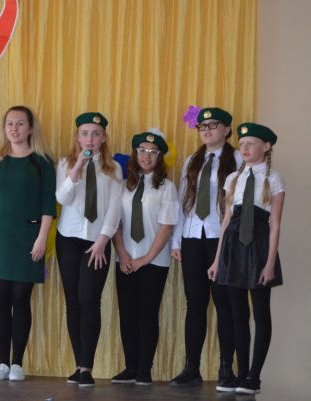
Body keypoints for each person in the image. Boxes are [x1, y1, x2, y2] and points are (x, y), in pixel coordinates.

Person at [0, 105, 56, 382]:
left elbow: (48, 204)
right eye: (10, 123)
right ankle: (2, 362)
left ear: (30, 128)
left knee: (21, 299)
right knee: (1, 299)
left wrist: (42, 239)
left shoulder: (42, 162)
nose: (14, 128)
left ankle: (18, 363)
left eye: (20, 123)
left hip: (28, 237)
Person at [208, 123, 285, 395]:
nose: (245, 148)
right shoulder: (233, 178)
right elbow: (226, 221)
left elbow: (275, 224)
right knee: (238, 314)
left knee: (261, 313)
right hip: (232, 247)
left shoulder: (273, 179)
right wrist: (217, 260)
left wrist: (269, 262)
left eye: (251, 143)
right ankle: (240, 374)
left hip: (259, 248)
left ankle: (254, 376)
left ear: (266, 146)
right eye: (242, 144)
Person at [170, 107, 241, 390]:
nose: (207, 130)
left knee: (224, 303)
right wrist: (177, 240)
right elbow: (182, 201)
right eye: (203, 126)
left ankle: (226, 367)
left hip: (220, 237)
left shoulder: (237, 158)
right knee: (195, 303)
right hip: (192, 237)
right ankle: (192, 367)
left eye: (213, 125)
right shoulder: (193, 159)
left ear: (227, 129)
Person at [55, 112, 123, 387]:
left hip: (98, 241)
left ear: (103, 137)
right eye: (85, 134)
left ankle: (87, 366)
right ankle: (78, 364)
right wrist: (76, 171)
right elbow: (62, 198)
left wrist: (103, 240)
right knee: (73, 300)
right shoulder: (65, 163)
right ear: (77, 137)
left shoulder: (113, 168)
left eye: (96, 134)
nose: (90, 139)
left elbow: (115, 208)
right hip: (69, 238)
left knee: (89, 298)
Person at [111, 131, 179, 386]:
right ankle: (130, 367)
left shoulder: (166, 187)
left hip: (154, 262)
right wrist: (122, 254)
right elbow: (115, 223)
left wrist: (146, 258)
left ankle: (144, 369)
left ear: (160, 157)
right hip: (126, 260)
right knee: (127, 314)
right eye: (142, 150)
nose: (146, 156)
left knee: (147, 314)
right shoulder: (123, 185)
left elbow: (166, 226)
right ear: (135, 153)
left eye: (152, 152)